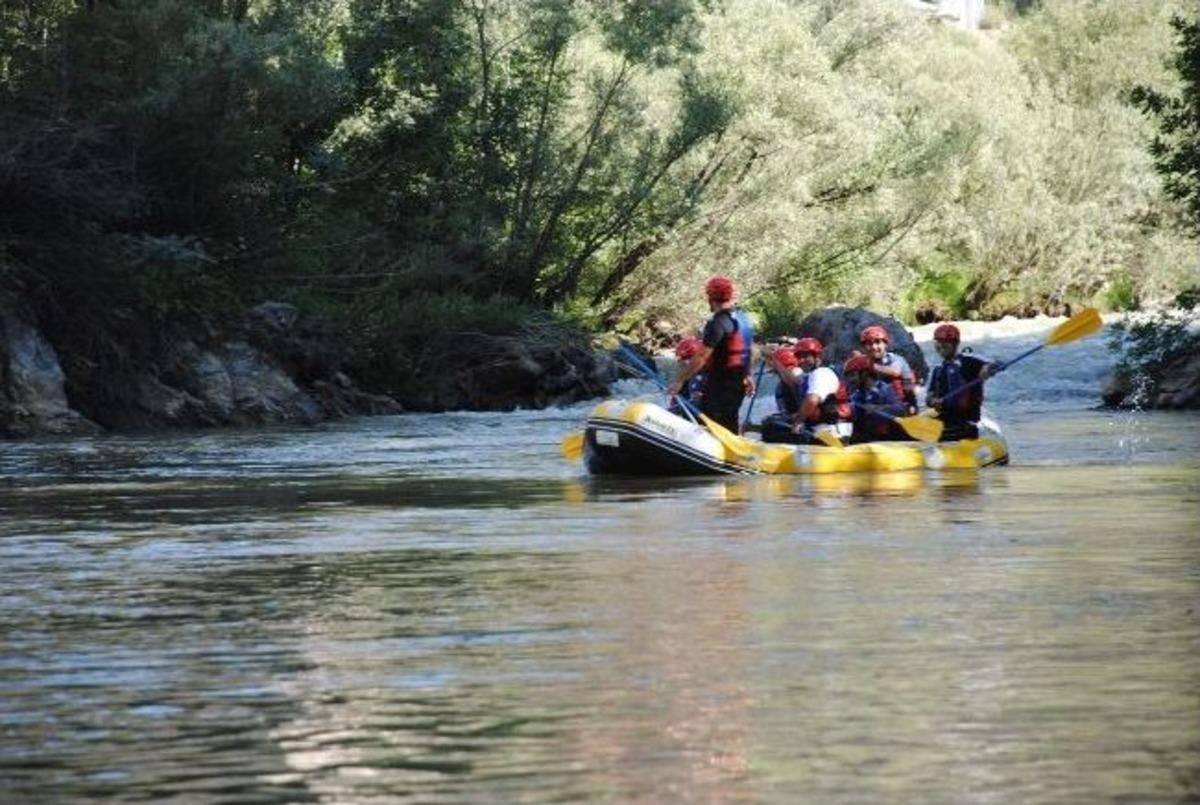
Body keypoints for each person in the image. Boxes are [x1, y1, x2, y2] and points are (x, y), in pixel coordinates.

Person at [668, 276, 754, 433]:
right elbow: (746, 350)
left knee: (709, 422)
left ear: (710, 298)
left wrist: (680, 380)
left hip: (721, 386)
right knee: (729, 421)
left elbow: (701, 357)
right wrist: (748, 375)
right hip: (738, 384)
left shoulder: (717, 323)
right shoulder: (744, 319)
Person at [763, 337, 852, 444]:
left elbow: (811, 400)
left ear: (817, 357)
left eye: (806, 356)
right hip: (822, 431)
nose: (801, 361)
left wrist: (798, 422)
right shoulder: (809, 377)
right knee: (774, 423)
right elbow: (792, 381)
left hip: (834, 433)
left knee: (770, 428)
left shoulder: (821, 373)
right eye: (799, 357)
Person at [925, 323, 1002, 440]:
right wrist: (932, 401)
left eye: (946, 342)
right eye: (938, 342)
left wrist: (990, 369)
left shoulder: (968, 362)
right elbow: (929, 397)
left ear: (955, 344)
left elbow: (993, 364)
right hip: (945, 419)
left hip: (965, 423)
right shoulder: (938, 370)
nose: (941, 345)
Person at [844, 353, 908, 443]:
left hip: (890, 440)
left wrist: (878, 408)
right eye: (849, 376)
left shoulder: (883, 389)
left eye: (853, 375)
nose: (850, 380)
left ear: (864, 374)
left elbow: (900, 410)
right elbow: (852, 412)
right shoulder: (856, 396)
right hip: (869, 440)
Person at [860, 324, 919, 414]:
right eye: (869, 344)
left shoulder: (896, 359)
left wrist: (870, 366)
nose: (874, 347)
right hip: (878, 408)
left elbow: (895, 371)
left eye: (877, 342)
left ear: (885, 344)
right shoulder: (864, 363)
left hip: (902, 406)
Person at [759, 346, 802, 442]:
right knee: (768, 422)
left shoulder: (798, 374)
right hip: (791, 420)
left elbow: (794, 381)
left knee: (769, 425)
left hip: (801, 423)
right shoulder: (780, 386)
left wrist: (777, 363)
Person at [668, 336, 706, 418]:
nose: (682, 362)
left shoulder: (711, 373)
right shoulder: (685, 377)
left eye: (685, 359)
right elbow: (676, 399)